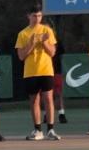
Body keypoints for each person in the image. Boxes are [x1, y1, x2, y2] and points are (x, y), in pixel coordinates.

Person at [13, 7, 59, 141]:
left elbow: (52, 52)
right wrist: (31, 43)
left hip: (46, 70)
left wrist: (44, 42)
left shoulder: (47, 31)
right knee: (34, 100)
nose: (37, 18)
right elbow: (21, 56)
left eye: (39, 16)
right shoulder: (23, 34)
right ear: (28, 16)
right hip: (31, 71)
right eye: (34, 16)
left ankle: (50, 130)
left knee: (48, 99)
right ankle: (38, 130)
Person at [51, 29, 67, 124]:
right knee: (46, 95)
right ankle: (47, 115)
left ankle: (61, 114)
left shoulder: (57, 41)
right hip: (44, 72)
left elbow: (61, 55)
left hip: (56, 71)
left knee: (58, 93)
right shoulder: (39, 40)